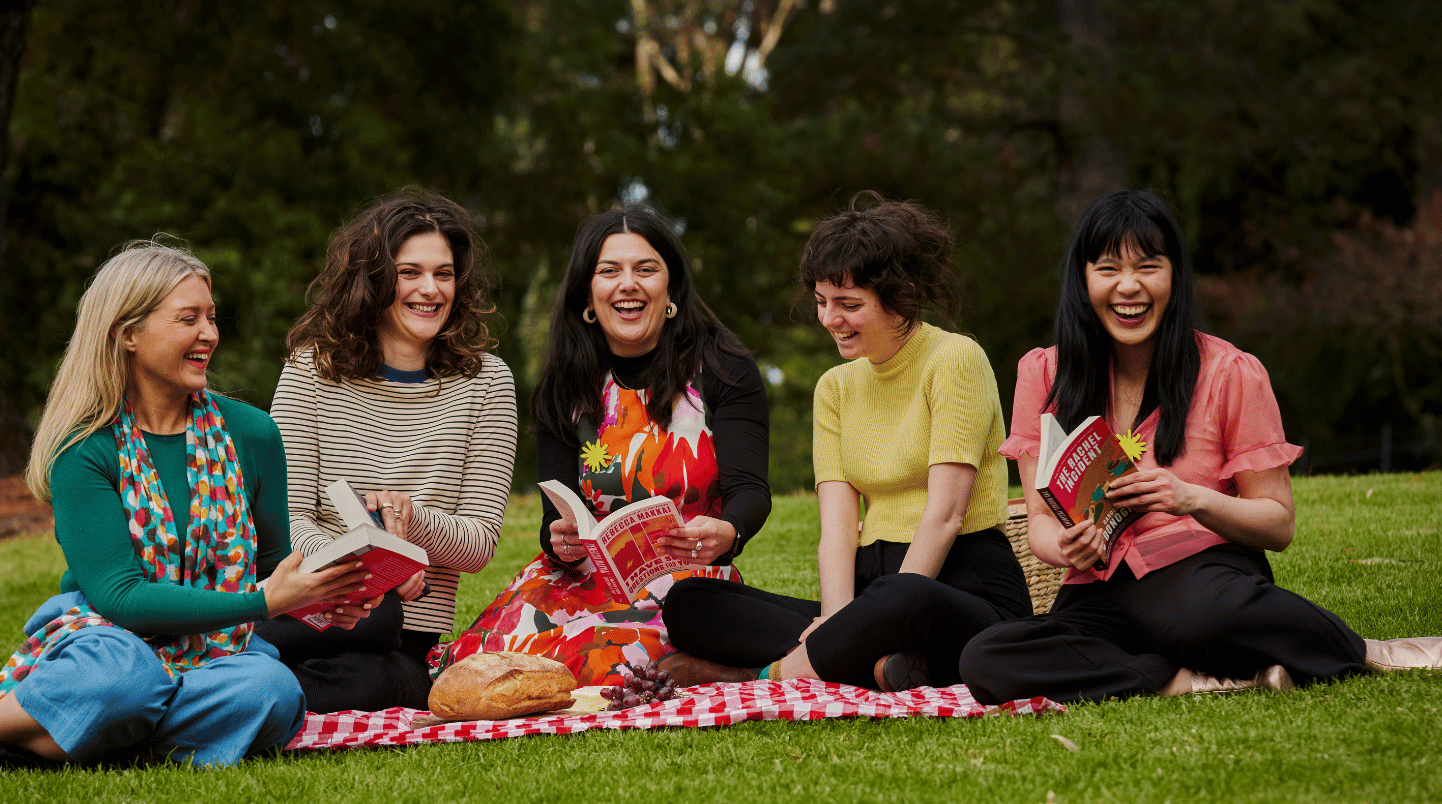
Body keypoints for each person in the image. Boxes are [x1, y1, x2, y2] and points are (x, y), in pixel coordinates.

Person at [0, 241, 371, 780]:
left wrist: (320, 599)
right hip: (107, 640)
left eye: (211, 318)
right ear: (128, 334)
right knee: (124, 677)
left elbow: (271, 565)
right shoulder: (84, 450)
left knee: (271, 691)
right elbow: (121, 597)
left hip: (213, 653)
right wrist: (262, 603)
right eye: (187, 319)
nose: (209, 334)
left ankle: (41, 743)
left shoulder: (252, 433)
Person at [958, 189, 1440, 705]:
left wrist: (1192, 499)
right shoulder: (1045, 373)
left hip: (1200, 577)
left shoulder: (1230, 372)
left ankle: (1353, 648)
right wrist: (1066, 547)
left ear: (1175, 275)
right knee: (986, 658)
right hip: (1097, 589)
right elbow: (1039, 523)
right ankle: (1184, 679)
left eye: (1148, 266)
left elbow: (1277, 525)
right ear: (1082, 279)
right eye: (1107, 269)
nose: (1128, 287)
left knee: (1202, 615)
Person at [659, 194, 1031, 692]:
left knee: (900, 600)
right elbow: (836, 531)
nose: (830, 318)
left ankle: (766, 677)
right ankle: (882, 665)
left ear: (902, 295)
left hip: (956, 586)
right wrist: (838, 624)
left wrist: (857, 626)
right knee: (692, 605)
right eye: (821, 302)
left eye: (849, 305)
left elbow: (946, 517)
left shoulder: (955, 359)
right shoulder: (834, 389)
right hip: (869, 593)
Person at [428, 205, 771, 686]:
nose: (627, 284)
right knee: (474, 668)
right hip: (580, 581)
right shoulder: (564, 385)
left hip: (688, 586)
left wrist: (730, 530)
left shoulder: (722, 366)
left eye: (645, 269)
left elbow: (752, 491)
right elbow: (554, 521)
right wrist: (559, 542)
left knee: (608, 664)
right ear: (588, 294)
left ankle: (714, 669)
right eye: (609, 271)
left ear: (669, 288)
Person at [255, 189, 518, 712]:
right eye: (410, 272)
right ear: (374, 278)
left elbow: (480, 543)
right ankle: (243, 671)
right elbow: (286, 519)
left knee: (375, 673)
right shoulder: (310, 369)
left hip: (399, 632)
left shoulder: (488, 382)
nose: (430, 289)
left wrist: (410, 523)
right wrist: (361, 567)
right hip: (309, 608)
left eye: (444, 274)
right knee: (371, 619)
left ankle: (231, 684)